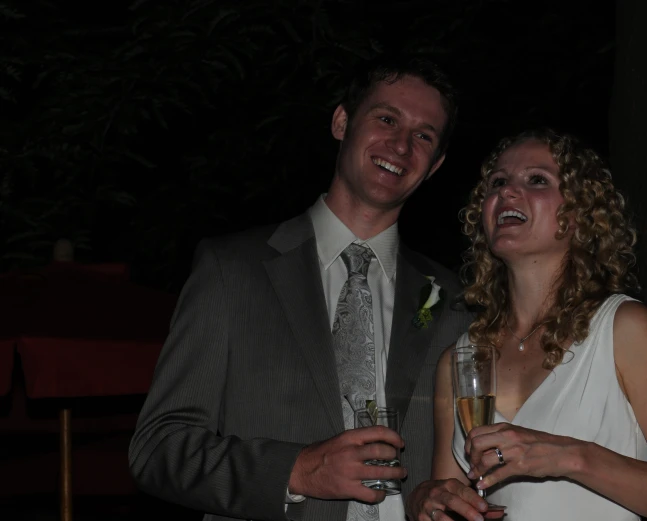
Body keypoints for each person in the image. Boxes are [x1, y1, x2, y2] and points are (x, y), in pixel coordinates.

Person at [129, 56, 473, 521]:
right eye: (387, 118)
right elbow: (158, 448)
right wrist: (294, 471)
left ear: (435, 166)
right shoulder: (232, 270)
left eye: (424, 136)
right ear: (341, 121)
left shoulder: (449, 298)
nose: (401, 144)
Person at [406, 129, 647, 521]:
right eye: (498, 182)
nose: (507, 192)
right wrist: (431, 501)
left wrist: (571, 457)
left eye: (536, 180)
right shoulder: (460, 360)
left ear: (578, 216)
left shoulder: (623, 329)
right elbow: (453, 497)